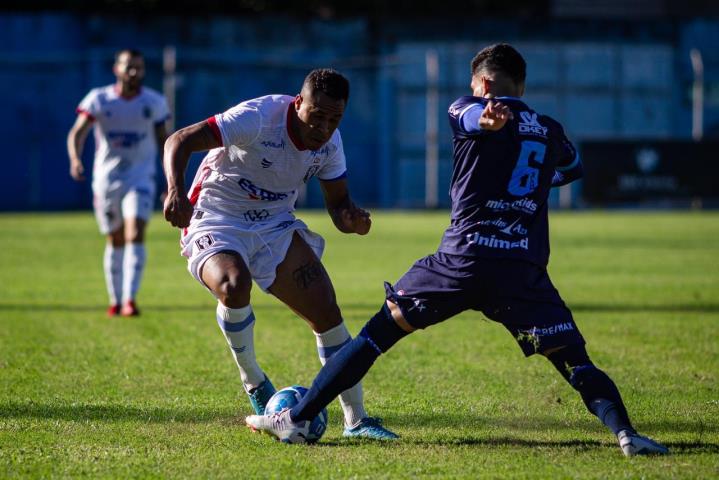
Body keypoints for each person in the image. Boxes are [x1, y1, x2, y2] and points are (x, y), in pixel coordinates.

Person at [246, 44, 670, 457]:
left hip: (461, 262)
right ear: (518, 85)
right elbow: (573, 168)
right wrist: (538, 182)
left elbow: (468, 118)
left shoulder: (467, 107)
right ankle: (626, 434)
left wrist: (485, 124)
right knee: (573, 360)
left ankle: (296, 419)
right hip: (520, 268)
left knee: (378, 334)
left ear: (483, 83)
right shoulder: (549, 128)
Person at [162, 68, 397, 440]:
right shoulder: (258, 117)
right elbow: (180, 139)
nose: (324, 127)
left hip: (274, 225)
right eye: (317, 116)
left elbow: (338, 205)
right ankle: (254, 382)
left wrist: (351, 219)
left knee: (327, 311)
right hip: (217, 216)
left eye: (334, 119)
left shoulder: (330, 144)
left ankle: (357, 421)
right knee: (233, 284)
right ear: (298, 103)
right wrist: (174, 190)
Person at [67, 48, 170, 317]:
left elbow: (165, 143)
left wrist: (172, 180)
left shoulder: (154, 102)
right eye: (129, 66)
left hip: (140, 177)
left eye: (139, 67)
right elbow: (77, 132)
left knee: (135, 231)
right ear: (117, 69)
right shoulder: (99, 99)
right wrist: (75, 159)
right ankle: (115, 299)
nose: (134, 72)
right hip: (107, 179)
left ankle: (130, 300)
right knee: (115, 239)